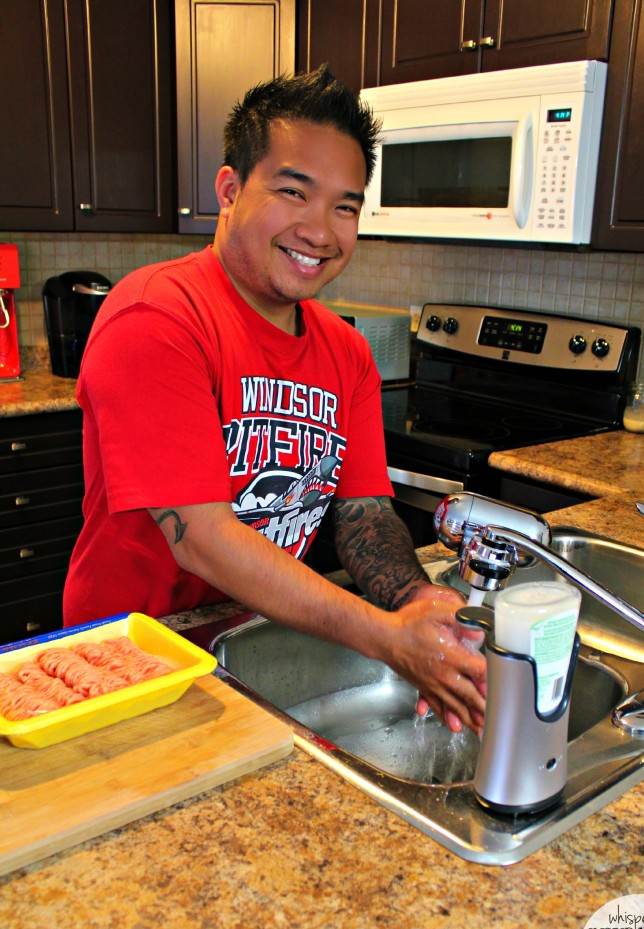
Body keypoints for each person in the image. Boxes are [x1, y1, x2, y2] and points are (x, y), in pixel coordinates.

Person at [63, 66, 486, 733]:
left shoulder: (345, 352)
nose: (322, 231)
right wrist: (385, 638)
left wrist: (414, 604)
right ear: (229, 190)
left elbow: (364, 513)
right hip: (130, 667)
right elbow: (203, 539)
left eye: (346, 206)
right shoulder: (157, 318)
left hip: (258, 648)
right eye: (295, 193)